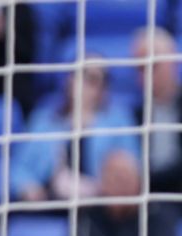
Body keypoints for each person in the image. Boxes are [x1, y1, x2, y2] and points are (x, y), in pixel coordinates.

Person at [12, 64, 139, 203]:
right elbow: (19, 168)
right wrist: (28, 188)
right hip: (50, 198)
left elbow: (133, 165)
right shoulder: (45, 120)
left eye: (94, 79)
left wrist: (104, 187)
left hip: (100, 201)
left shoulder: (118, 120)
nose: (84, 84)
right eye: (80, 75)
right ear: (69, 80)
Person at [134, 28, 182, 194]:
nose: (146, 75)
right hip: (147, 201)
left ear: (174, 63)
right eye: (140, 68)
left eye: (153, 66)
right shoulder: (133, 115)